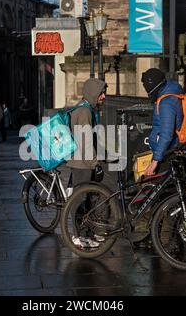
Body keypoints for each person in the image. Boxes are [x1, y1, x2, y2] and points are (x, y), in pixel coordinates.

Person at [66, 78, 107, 249]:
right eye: (101, 93)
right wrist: (95, 163)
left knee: (88, 199)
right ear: (93, 93)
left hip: (83, 162)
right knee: (81, 200)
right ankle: (77, 235)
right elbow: (86, 141)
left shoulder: (87, 109)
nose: (104, 97)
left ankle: (87, 233)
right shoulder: (84, 112)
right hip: (82, 164)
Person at [142, 68, 184, 176]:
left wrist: (155, 161)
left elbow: (166, 134)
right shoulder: (168, 93)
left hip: (165, 153)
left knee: (159, 188)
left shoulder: (166, 103)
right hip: (164, 151)